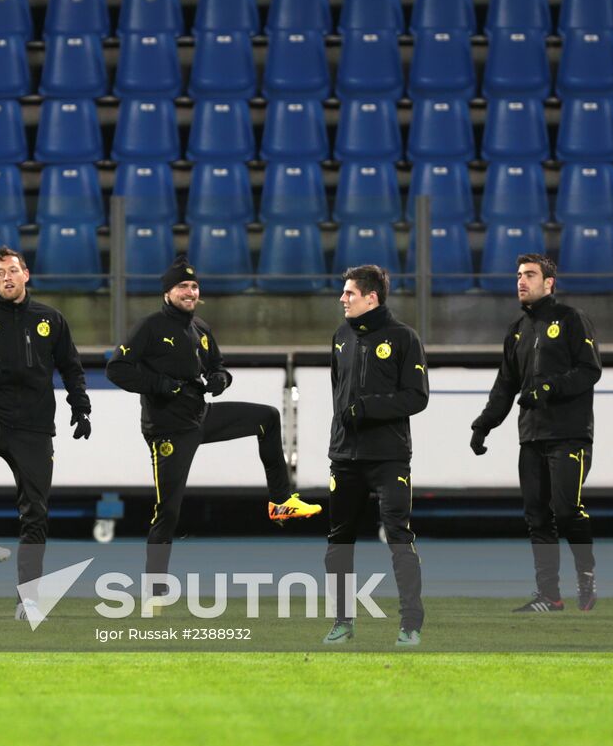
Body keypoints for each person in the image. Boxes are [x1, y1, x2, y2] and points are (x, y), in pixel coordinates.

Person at [107, 256, 321, 583]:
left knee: (268, 417)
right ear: (167, 292)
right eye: (182, 286)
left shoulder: (200, 327)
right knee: (168, 511)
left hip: (201, 415)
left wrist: (221, 380)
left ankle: (280, 501)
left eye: (194, 286)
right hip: (168, 430)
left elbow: (218, 367)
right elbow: (117, 369)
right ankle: (155, 586)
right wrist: (159, 385)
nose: (190, 291)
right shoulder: (150, 327)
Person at [0, 246, 90, 611]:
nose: (6, 277)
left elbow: (71, 367)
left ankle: (28, 597)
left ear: (25, 274)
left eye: (12, 270)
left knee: (35, 512)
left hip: (35, 426)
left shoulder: (51, 319)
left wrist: (81, 407)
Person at [470, 254, 601, 613]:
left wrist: (548, 389)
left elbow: (590, 371)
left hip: (570, 435)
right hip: (530, 437)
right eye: (518, 275)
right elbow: (504, 387)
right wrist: (484, 425)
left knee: (566, 510)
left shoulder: (572, 320)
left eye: (529, 275)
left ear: (549, 283)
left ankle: (586, 574)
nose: (521, 281)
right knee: (537, 516)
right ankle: (550, 596)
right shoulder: (516, 331)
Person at [323, 264, 429, 647]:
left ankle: (410, 624)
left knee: (399, 537)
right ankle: (341, 621)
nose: (342, 299)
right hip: (345, 457)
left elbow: (417, 397)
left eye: (349, 293)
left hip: (389, 458)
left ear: (372, 297)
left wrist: (367, 408)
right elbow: (338, 394)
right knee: (339, 542)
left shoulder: (403, 338)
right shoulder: (340, 336)